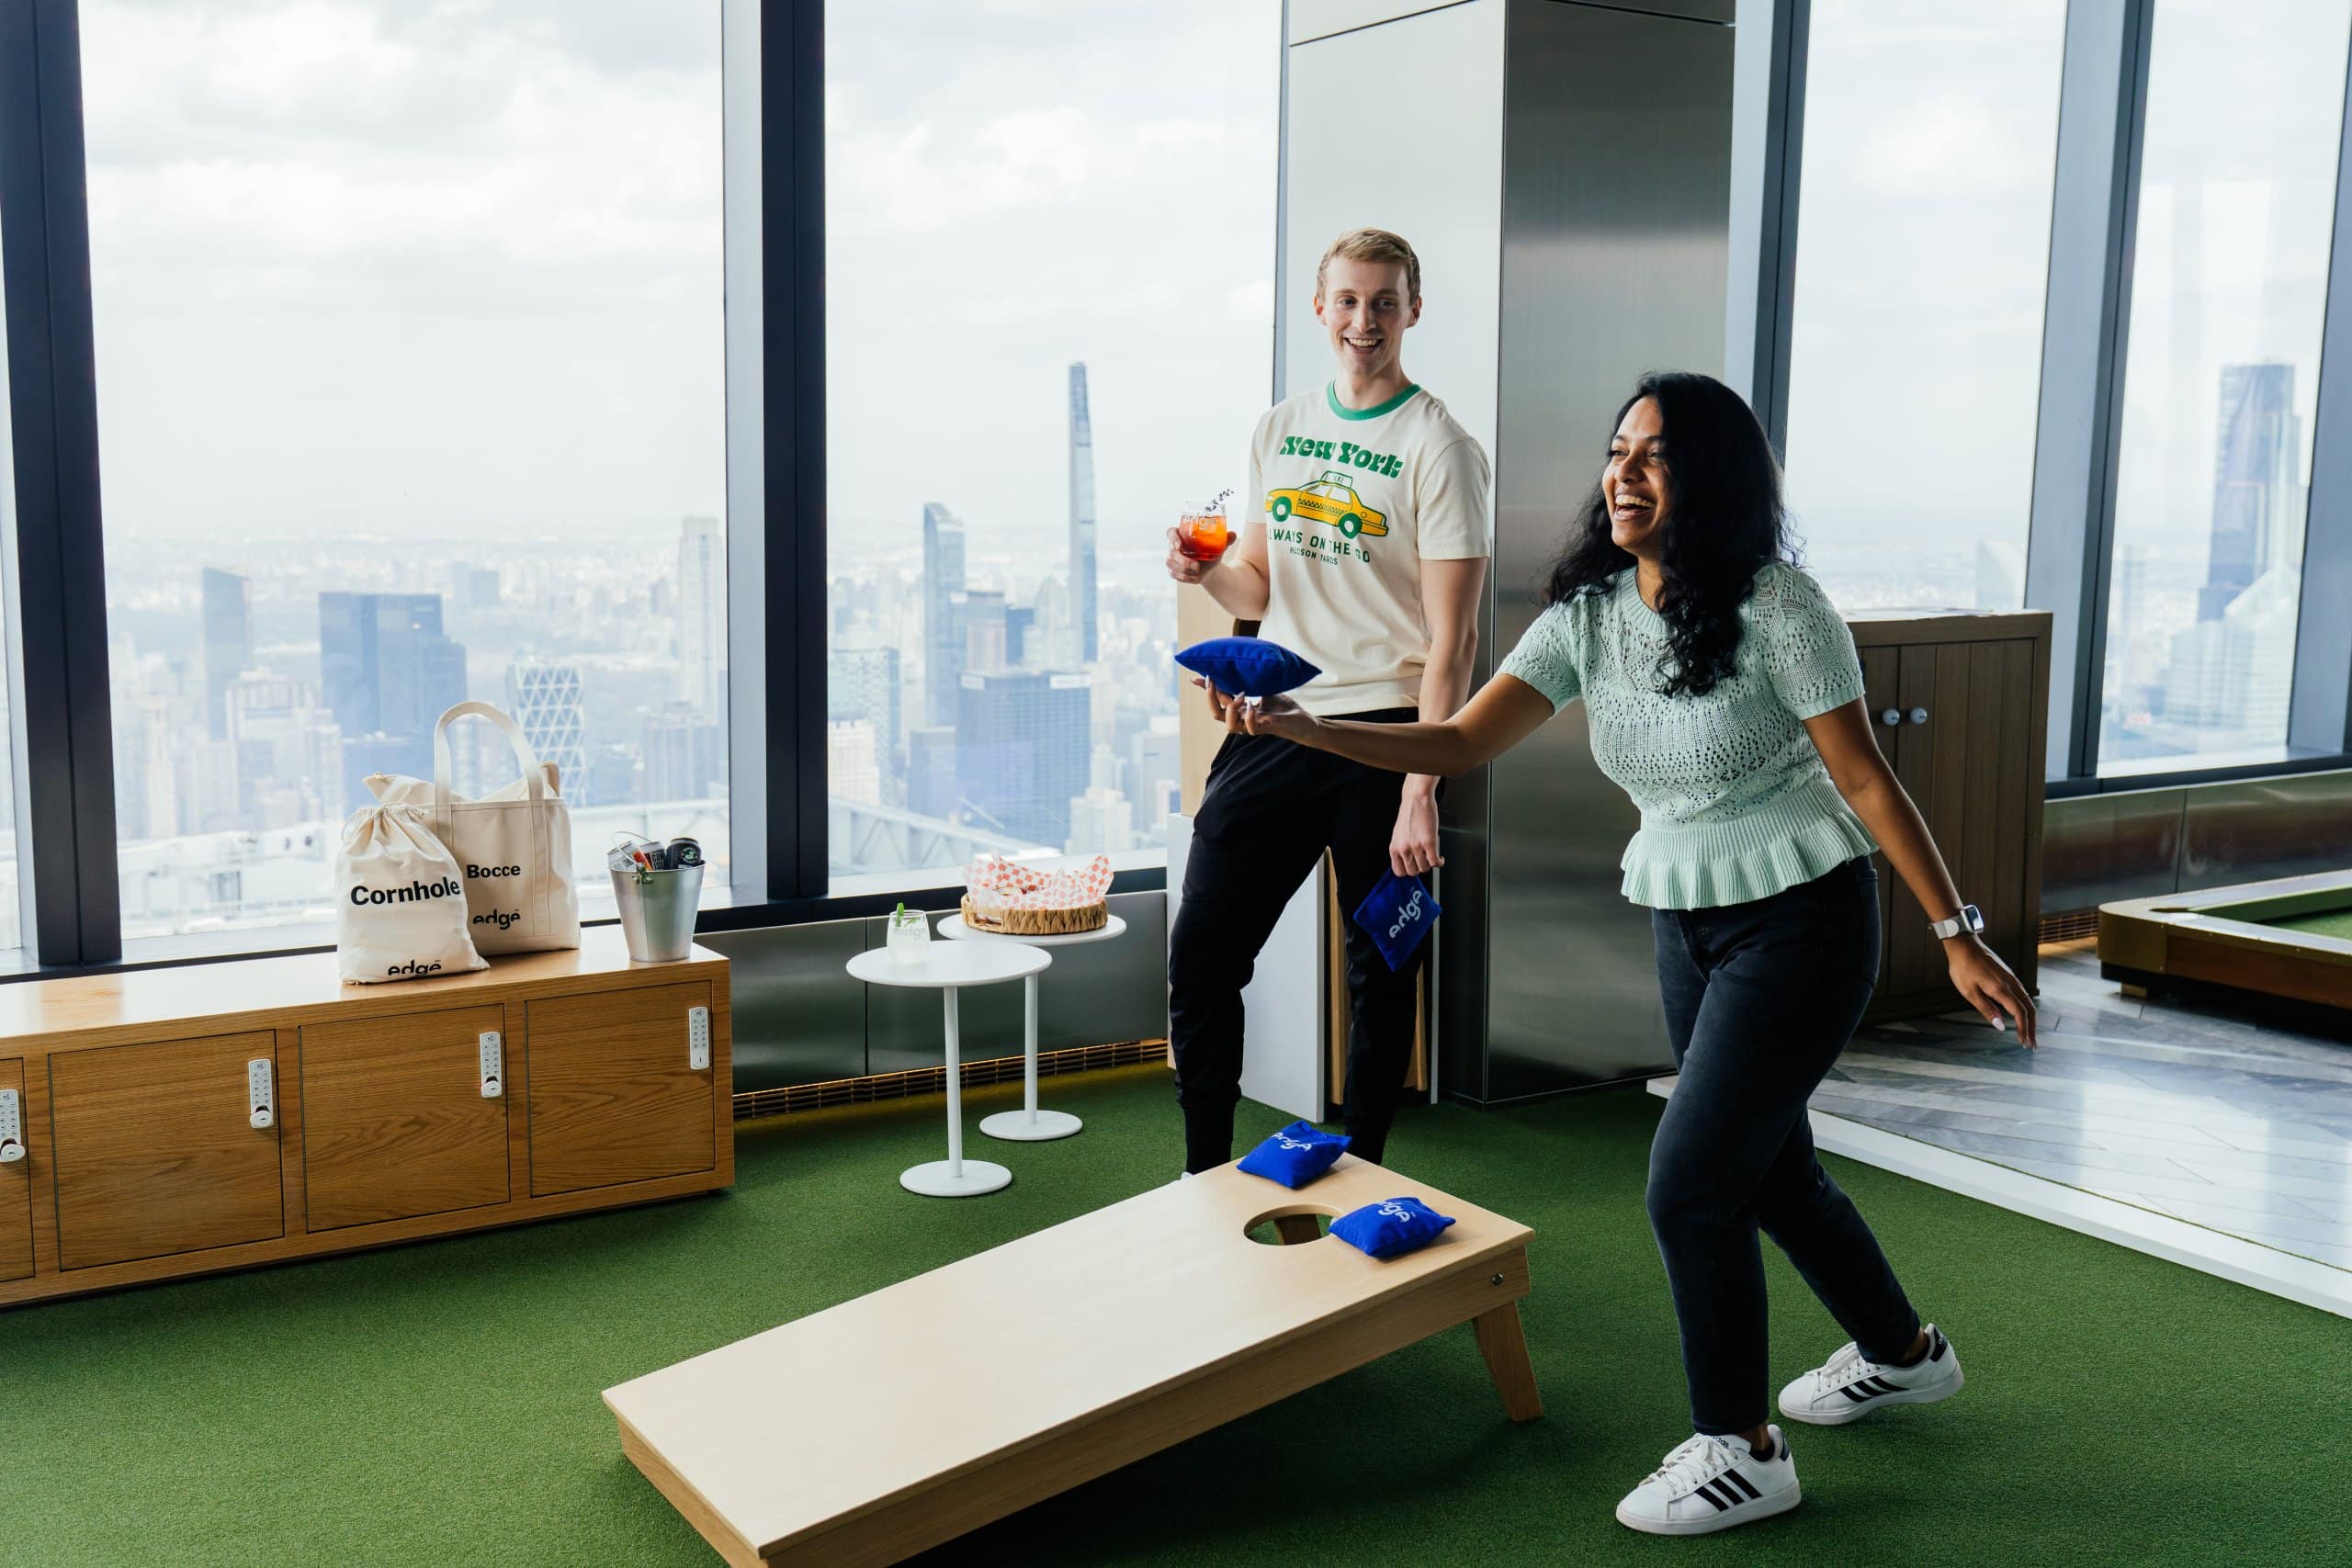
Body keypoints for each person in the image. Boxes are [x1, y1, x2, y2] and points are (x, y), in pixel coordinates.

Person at [1204, 371, 2035, 1537]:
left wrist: (1955, 936)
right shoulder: (1589, 615)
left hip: (1803, 915)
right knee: (1769, 1167)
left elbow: (1862, 778)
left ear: (1716, 479)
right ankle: (1904, 1354)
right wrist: (1309, 727)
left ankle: (1741, 1449)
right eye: (1616, 453)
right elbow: (1457, 737)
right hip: (1687, 915)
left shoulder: (1778, 606)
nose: (1623, 475)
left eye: (1655, 456)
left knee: (1693, 1182)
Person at [1164, 227, 1490, 1175]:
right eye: (1347, 301)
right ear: (1320, 309)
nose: (1364, 321)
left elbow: (1453, 640)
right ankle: (1202, 1173)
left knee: (1383, 974)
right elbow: (1260, 595)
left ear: (1412, 311)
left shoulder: (1439, 447)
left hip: (1388, 739)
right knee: (1202, 960)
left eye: (1384, 302)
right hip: (1278, 722)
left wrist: (1420, 790)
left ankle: (1366, 1170)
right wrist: (1209, 570)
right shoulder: (1279, 428)